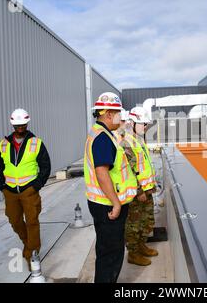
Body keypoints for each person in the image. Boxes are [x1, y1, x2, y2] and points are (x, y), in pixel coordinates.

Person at [84, 92, 137, 283]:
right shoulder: (103, 138)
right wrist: (116, 203)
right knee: (111, 256)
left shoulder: (100, 133)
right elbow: (101, 172)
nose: (120, 118)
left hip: (101, 202)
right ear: (108, 114)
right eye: (117, 114)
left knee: (106, 251)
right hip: (107, 205)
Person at [0, 108, 51, 270]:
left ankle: (32, 254)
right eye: (17, 125)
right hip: (10, 191)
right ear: (13, 124)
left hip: (29, 190)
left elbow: (45, 166)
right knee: (15, 221)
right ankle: (28, 243)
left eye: (22, 124)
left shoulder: (36, 142)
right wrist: (2, 185)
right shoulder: (3, 143)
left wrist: (37, 185)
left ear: (27, 123)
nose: (20, 127)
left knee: (32, 221)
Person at [122, 106, 158, 266]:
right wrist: (139, 191)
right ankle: (133, 253)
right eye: (143, 123)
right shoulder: (126, 142)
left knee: (147, 221)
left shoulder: (139, 140)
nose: (145, 127)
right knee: (134, 224)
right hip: (137, 193)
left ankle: (142, 245)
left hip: (147, 189)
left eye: (146, 124)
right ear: (132, 123)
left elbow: (143, 166)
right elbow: (129, 171)